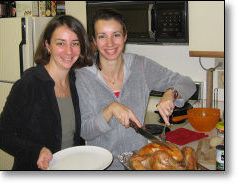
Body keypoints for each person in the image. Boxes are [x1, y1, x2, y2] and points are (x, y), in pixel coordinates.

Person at [75, 8, 196, 170]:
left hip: (140, 163)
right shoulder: (82, 78)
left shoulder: (141, 66)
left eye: (116, 35)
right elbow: (85, 131)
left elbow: (188, 83)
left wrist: (171, 93)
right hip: (102, 167)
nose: (110, 43)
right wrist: (110, 109)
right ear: (94, 41)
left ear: (125, 36)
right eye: (102, 36)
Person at [0, 15, 93, 170]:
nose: (69, 51)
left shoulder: (76, 82)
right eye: (60, 43)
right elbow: (2, 134)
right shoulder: (29, 85)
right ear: (47, 45)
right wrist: (36, 151)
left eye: (75, 43)